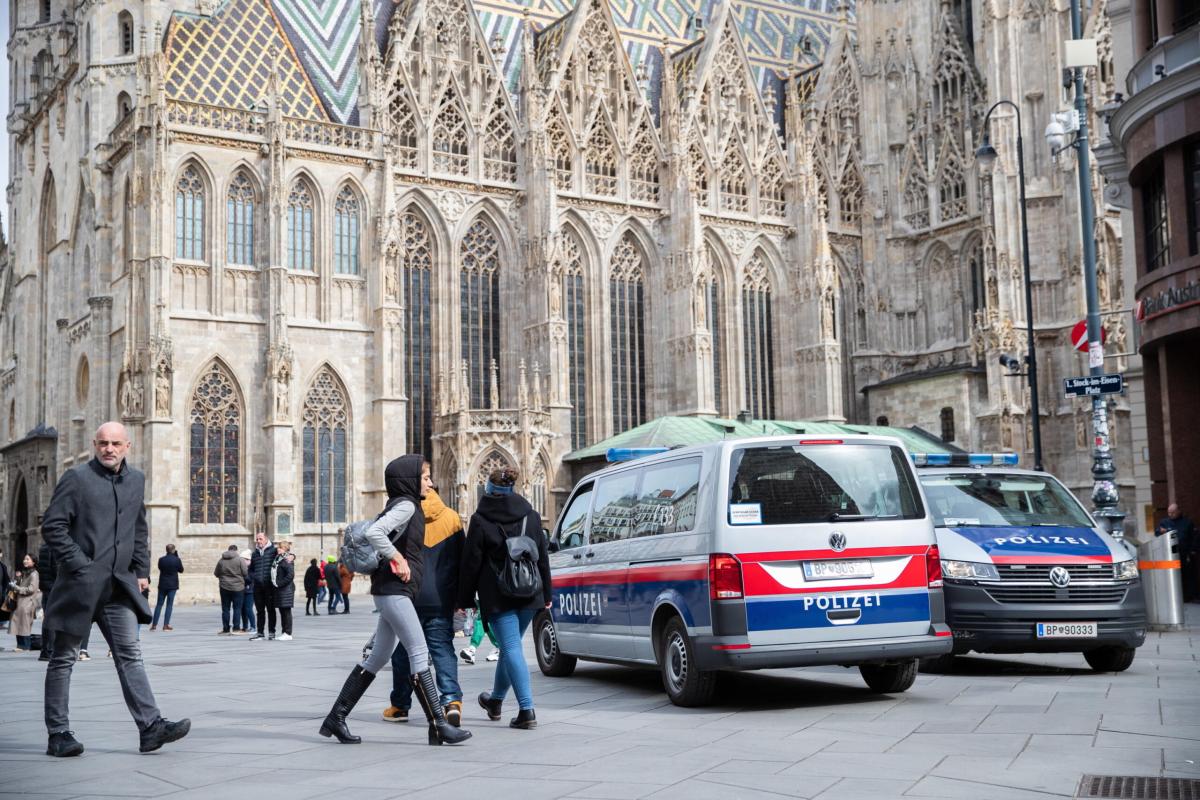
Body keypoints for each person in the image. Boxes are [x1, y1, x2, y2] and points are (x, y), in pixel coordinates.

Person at [41, 422, 190, 757]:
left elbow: (139, 528)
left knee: (130, 655)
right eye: (103, 443)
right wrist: (80, 564)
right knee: (63, 659)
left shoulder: (136, 480)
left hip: (118, 587)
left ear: (128, 446)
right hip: (79, 587)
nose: (109, 449)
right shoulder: (77, 479)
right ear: (95, 444)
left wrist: (140, 570)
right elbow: (53, 525)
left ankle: (150, 728)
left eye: (116, 443)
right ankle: (59, 734)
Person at [318, 455, 470, 746]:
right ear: (410, 480)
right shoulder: (407, 506)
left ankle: (336, 718)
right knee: (418, 651)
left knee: (377, 657)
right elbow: (375, 532)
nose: (431, 482)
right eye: (425, 477)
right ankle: (438, 725)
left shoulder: (403, 505)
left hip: (390, 591)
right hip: (394, 591)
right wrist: (397, 557)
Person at [458, 466, 551, 730]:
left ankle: (527, 710)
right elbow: (541, 557)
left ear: (488, 490)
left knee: (510, 648)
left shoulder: (480, 519)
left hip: (498, 594)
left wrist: (464, 599)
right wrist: (547, 594)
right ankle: (496, 701)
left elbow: (471, 563)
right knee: (511, 647)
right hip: (530, 591)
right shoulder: (531, 516)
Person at [382, 487, 465, 725]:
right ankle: (451, 701)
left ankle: (400, 705)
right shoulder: (451, 517)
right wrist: (461, 598)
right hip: (442, 597)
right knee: (442, 650)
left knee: (403, 652)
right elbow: (462, 561)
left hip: (410, 597)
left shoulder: (404, 517)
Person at [1157, 504, 1198, 601]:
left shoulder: (1187, 522)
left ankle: (1188, 596)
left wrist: (1192, 550)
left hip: (1184, 553)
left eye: (1173, 512)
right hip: (1170, 554)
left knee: (1187, 575)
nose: (1170, 514)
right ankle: (1174, 597)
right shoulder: (1165, 522)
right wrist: (1161, 531)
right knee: (1172, 576)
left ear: (1178, 511)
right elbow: (1158, 532)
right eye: (1169, 513)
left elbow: (1193, 537)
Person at [249, 531, 278, 640]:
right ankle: (260, 632)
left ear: (266, 539)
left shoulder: (274, 551)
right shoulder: (254, 554)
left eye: (260, 539)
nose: (258, 541)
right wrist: (254, 577)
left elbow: (286, 555)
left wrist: (292, 556)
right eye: (257, 539)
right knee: (260, 611)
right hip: (258, 587)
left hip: (269, 587)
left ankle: (272, 632)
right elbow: (251, 570)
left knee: (271, 610)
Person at [10, 553, 41, 651]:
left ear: (33, 562)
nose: (25, 561)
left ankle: (25, 646)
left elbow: (31, 589)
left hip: (28, 602)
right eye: (24, 559)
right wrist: (18, 579)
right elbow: (22, 584)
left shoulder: (34, 574)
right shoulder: (26, 572)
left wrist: (17, 588)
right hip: (21, 602)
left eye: (27, 559)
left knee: (25, 624)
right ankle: (20, 645)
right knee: (18, 623)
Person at [213, 545, 247, 634]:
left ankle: (226, 628)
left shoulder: (221, 560)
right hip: (238, 587)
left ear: (228, 550)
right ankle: (236, 628)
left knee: (225, 609)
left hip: (224, 587)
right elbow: (245, 572)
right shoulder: (240, 560)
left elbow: (216, 573)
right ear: (236, 550)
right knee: (237, 608)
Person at [150, 544, 184, 631]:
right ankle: (166, 625)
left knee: (159, 604)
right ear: (173, 550)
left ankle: (154, 625)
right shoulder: (177, 560)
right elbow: (181, 570)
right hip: (172, 585)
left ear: (166, 550)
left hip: (162, 584)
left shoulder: (161, 560)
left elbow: (160, 568)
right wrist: (176, 557)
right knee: (169, 605)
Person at [272, 538, 296, 640]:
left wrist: (279, 583)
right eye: (278, 547)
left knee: (286, 611)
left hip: (286, 589)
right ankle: (284, 632)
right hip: (282, 589)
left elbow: (290, 575)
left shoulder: (286, 559)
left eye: (281, 548)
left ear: (285, 549)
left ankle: (288, 633)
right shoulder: (279, 558)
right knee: (282, 611)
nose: (278, 549)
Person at [238, 550, 255, 634]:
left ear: (248, 560)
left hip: (250, 591)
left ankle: (253, 627)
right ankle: (245, 627)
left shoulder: (252, 568)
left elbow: (250, 579)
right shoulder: (242, 568)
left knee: (248, 609)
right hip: (242, 590)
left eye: (243, 560)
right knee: (242, 609)